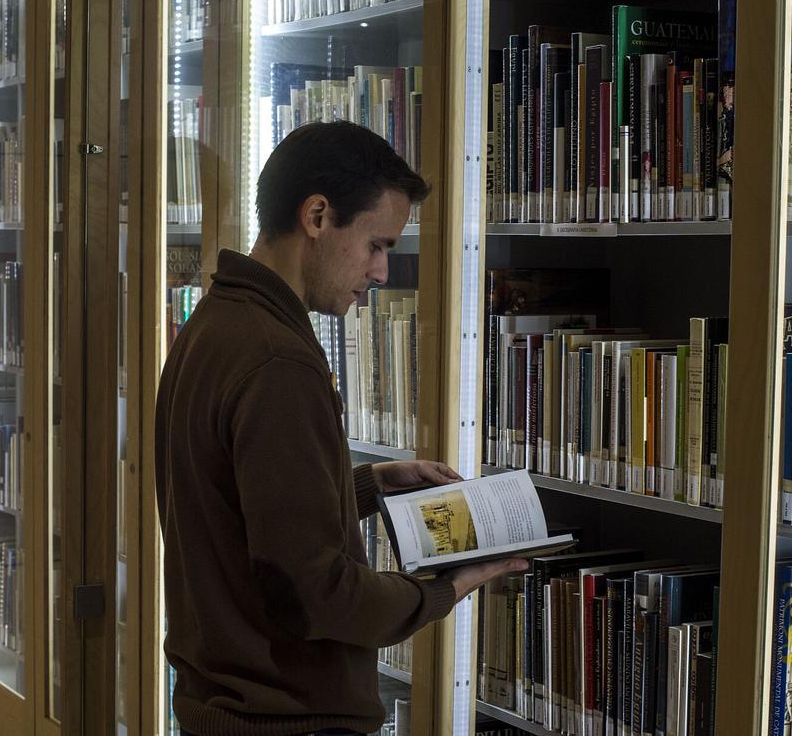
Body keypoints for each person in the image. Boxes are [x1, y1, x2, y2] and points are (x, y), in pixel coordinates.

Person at [154, 120, 526, 736]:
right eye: (376, 244)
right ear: (318, 216)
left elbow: (237, 505)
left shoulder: (214, 324)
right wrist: (440, 591)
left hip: (221, 705)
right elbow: (313, 591)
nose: (381, 272)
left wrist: (367, 484)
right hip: (286, 717)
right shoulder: (278, 360)